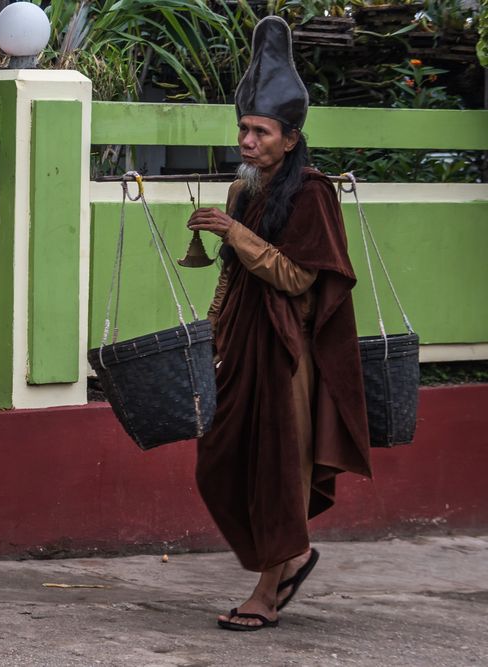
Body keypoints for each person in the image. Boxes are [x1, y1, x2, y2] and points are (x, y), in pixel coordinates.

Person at [186, 16, 372, 631]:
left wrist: (234, 233)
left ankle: (271, 585)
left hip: (287, 352)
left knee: (277, 465)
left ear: (290, 139)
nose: (247, 141)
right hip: (240, 346)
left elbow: (297, 279)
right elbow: (232, 278)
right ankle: (289, 557)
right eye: (243, 128)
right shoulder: (245, 190)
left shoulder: (313, 194)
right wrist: (212, 330)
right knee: (219, 458)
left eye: (260, 131)